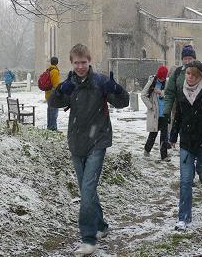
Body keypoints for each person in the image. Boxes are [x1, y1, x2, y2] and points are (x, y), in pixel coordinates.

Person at [48, 43, 129, 256]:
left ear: (89, 61)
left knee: (87, 190)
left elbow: (124, 102)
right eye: (77, 63)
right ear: (72, 63)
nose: (81, 66)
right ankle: (101, 225)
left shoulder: (101, 82)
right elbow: (53, 103)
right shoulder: (70, 84)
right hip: (76, 142)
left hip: (98, 141)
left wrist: (116, 88)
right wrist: (59, 90)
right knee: (87, 190)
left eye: (84, 62)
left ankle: (88, 238)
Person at [169, 61, 202, 231]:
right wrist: (173, 135)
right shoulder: (181, 92)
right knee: (185, 180)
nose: (190, 77)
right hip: (187, 143)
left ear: (200, 76)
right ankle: (183, 218)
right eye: (187, 74)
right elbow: (178, 116)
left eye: (193, 74)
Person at [164, 44, 202, 123]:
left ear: (194, 59)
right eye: (185, 58)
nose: (187, 61)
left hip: (201, 112)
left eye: (190, 58)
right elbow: (169, 93)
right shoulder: (177, 73)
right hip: (181, 113)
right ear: (182, 59)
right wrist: (166, 111)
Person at [141, 65, 170, 161]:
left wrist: (161, 92)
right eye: (160, 77)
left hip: (164, 113)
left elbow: (169, 94)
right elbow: (143, 95)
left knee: (164, 135)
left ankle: (164, 156)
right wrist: (150, 106)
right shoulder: (152, 82)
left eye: (163, 77)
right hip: (155, 114)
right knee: (153, 134)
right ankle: (147, 150)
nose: (162, 79)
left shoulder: (167, 82)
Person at [45, 56, 61, 131]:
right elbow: (56, 85)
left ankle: (49, 126)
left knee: (50, 111)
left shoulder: (48, 70)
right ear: (57, 63)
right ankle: (53, 128)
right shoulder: (55, 71)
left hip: (48, 94)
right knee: (54, 112)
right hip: (53, 95)